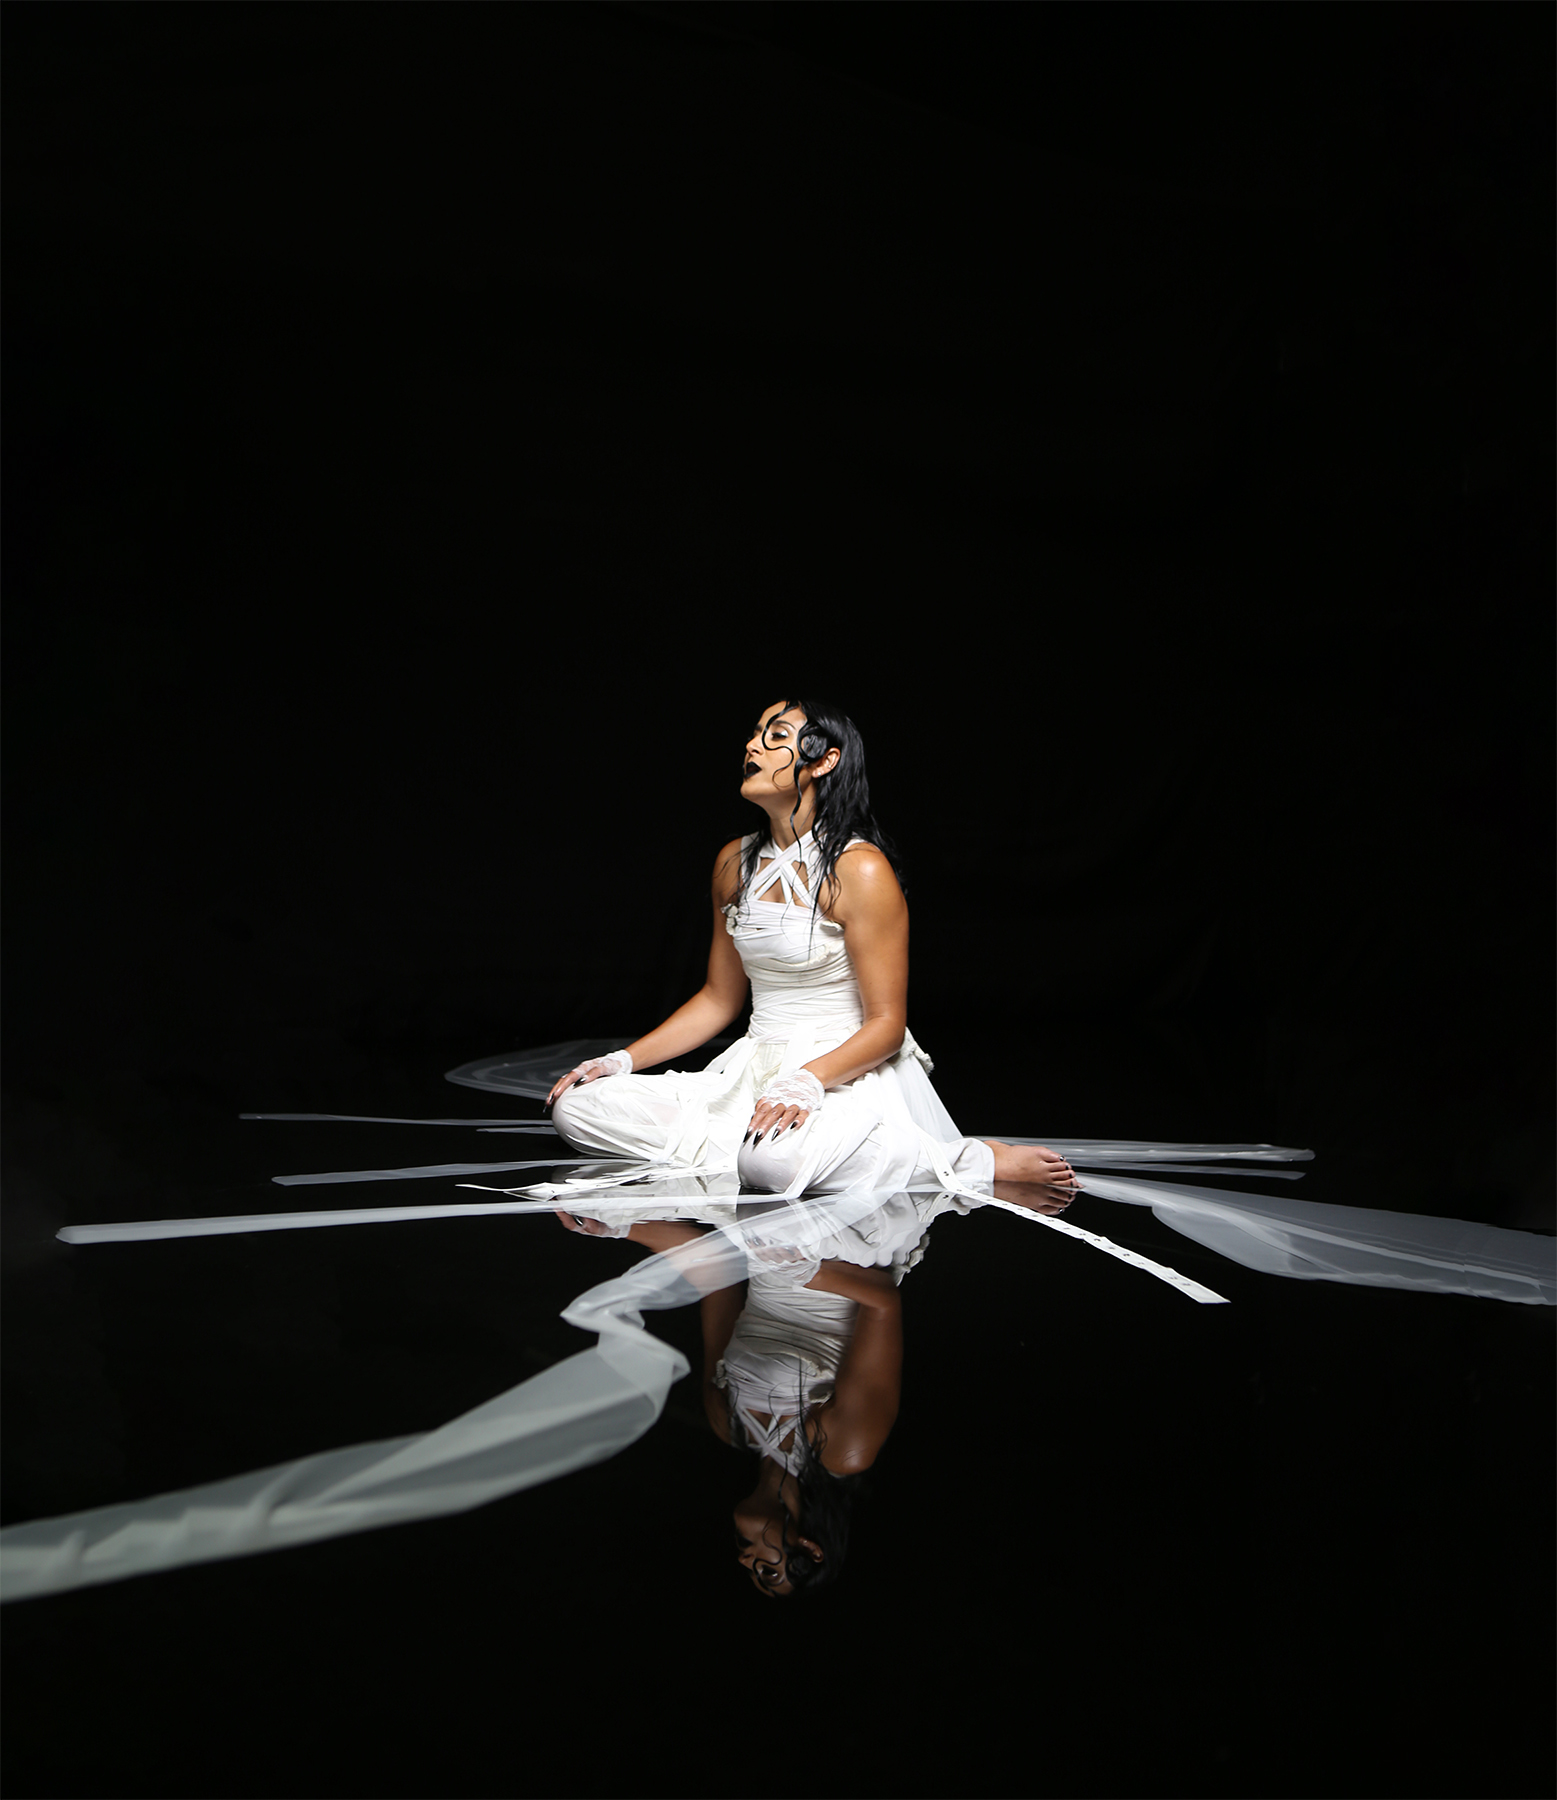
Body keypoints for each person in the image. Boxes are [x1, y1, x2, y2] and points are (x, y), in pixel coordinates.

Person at [544, 698, 1080, 1214]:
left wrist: (806, 1080)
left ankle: (971, 1158)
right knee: (575, 1110)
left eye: (775, 737)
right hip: (751, 1070)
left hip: (846, 1070)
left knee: (771, 1163)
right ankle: (763, 1145)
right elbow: (717, 999)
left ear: (824, 762)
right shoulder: (733, 862)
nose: (752, 745)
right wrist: (620, 1061)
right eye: (755, 734)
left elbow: (888, 1025)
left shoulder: (861, 869)